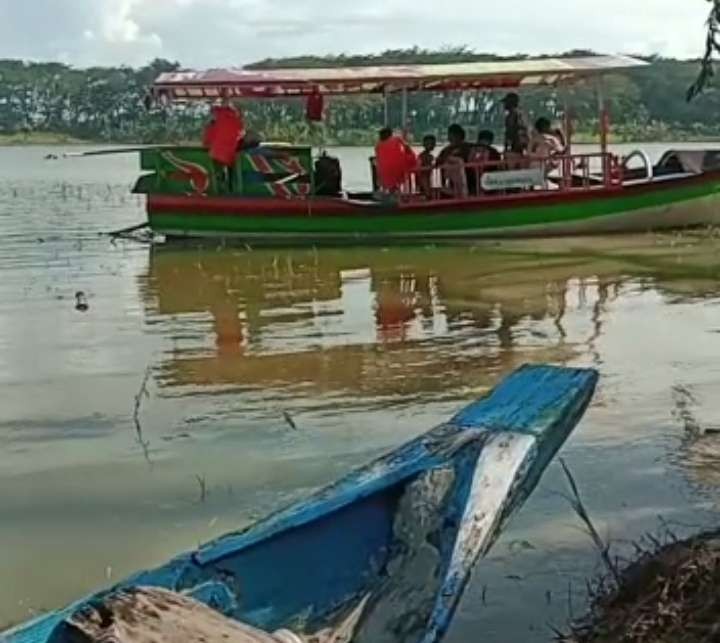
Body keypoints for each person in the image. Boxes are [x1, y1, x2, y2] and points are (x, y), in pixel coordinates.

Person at [203, 98, 245, 192]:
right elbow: (241, 135)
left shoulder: (215, 120)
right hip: (230, 155)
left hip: (216, 153)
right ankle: (232, 189)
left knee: (216, 169)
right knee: (234, 166)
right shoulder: (238, 122)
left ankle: (219, 190)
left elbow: (207, 140)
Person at [374, 127, 417, 193]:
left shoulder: (378, 145)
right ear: (390, 134)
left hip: (383, 170)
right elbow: (407, 147)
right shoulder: (396, 139)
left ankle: (392, 190)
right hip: (398, 166)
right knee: (412, 160)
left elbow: (379, 157)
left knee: (388, 176)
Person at [437, 124, 473, 197]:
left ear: (460, 136)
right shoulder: (446, 150)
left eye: (453, 135)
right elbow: (438, 162)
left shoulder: (469, 148)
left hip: (470, 179)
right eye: (450, 135)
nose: (450, 137)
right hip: (452, 182)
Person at [501, 93, 529, 163]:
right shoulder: (521, 113)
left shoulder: (511, 115)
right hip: (522, 145)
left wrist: (507, 147)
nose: (504, 105)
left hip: (515, 146)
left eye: (506, 102)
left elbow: (510, 132)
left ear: (510, 103)